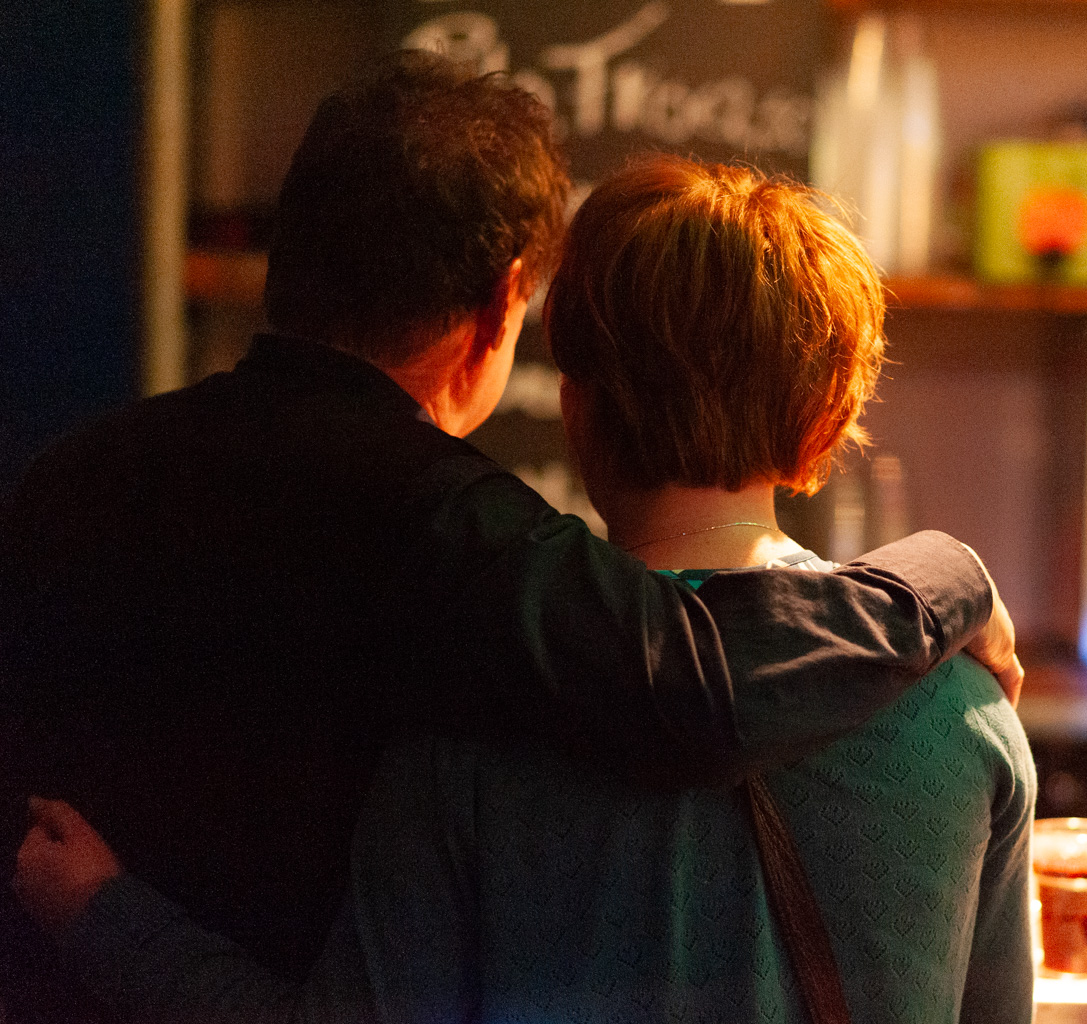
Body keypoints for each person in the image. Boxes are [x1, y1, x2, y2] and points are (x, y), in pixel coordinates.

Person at [0, 53, 1023, 1023]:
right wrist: (950, 579)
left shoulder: (462, 729)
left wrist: (106, 916)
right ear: (827, 421)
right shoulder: (970, 719)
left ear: (576, 403)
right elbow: (703, 678)